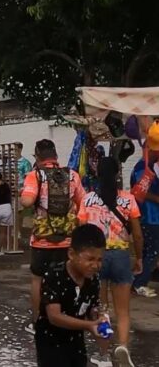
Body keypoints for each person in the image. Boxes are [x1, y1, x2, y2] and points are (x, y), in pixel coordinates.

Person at [78, 157, 142, 367]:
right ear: (117, 174)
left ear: (97, 174)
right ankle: (122, 346)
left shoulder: (87, 199)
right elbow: (138, 234)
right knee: (123, 311)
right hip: (121, 256)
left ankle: (104, 353)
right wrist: (139, 257)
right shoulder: (128, 199)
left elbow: (81, 229)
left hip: (96, 257)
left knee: (101, 308)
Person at [21, 139, 85, 335]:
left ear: (38, 157)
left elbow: (26, 201)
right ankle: (65, 320)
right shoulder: (72, 176)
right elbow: (83, 202)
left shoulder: (35, 176)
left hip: (42, 240)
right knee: (66, 278)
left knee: (38, 280)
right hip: (67, 239)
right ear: (55, 156)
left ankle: (38, 322)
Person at [34, 224, 106, 367]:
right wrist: (89, 325)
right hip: (50, 340)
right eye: (90, 259)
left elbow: (92, 307)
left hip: (76, 339)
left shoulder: (92, 279)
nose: (95, 265)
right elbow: (54, 317)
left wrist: (99, 318)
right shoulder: (55, 275)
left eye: (99, 260)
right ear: (72, 254)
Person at [131, 141, 159, 298]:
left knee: (151, 251)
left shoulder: (149, 166)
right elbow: (138, 192)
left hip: (153, 216)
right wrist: (156, 198)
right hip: (150, 216)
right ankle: (139, 283)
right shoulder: (142, 168)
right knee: (152, 252)